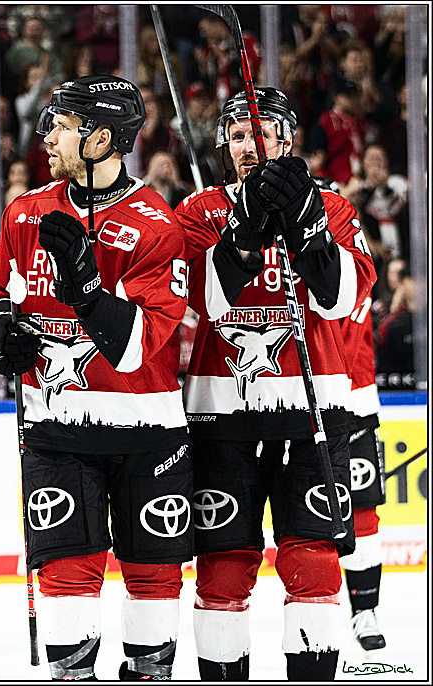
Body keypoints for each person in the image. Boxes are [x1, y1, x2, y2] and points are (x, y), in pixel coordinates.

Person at [0, 75, 191, 680]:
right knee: (67, 573)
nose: (46, 136)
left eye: (62, 126)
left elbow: (137, 348)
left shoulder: (157, 225)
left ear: (100, 139)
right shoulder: (27, 211)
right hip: (56, 427)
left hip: (146, 431)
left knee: (154, 576)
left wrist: (89, 293)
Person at [174, 87, 377, 680]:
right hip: (221, 411)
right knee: (222, 566)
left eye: (260, 134)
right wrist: (242, 234)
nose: (248, 145)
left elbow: (340, 300)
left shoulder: (332, 207)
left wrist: (308, 226)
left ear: (286, 141)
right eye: (237, 136)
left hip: (313, 409)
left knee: (313, 561)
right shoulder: (199, 211)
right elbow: (204, 302)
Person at [339, 276, 388, 653]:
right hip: (280, 398)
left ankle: (365, 610)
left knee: (362, 512)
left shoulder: (350, 251)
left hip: (353, 399)